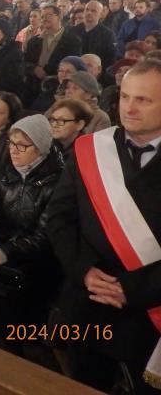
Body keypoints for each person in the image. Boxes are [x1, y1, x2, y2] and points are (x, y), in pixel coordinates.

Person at [46, 59, 161, 394]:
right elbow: (60, 218)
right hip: (88, 303)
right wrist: (83, 269)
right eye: (125, 97)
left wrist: (133, 289)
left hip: (149, 313)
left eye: (143, 100)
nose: (130, 108)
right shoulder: (91, 149)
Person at [0, 114, 64, 348]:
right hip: (4, 249)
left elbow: (43, 237)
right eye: (12, 143)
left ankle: (9, 353)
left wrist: (1, 253)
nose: (14, 150)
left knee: (2, 306)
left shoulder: (57, 182)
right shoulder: (7, 173)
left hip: (38, 260)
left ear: (40, 148)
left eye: (22, 145)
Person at [23, 4, 82, 107]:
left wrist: (51, 74)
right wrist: (33, 69)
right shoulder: (34, 41)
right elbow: (24, 63)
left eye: (49, 15)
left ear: (59, 17)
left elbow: (73, 67)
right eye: (42, 16)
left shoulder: (73, 41)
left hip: (57, 88)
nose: (45, 19)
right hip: (32, 86)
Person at [71, 0, 116, 70]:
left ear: (101, 14)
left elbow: (110, 59)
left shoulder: (108, 34)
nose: (89, 13)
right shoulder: (72, 31)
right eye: (87, 10)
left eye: (93, 11)